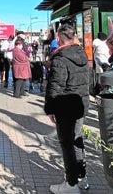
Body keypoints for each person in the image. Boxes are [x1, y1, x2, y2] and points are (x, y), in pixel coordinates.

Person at [44, 25, 91, 193]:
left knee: (67, 145)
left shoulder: (60, 58)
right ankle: (82, 177)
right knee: (77, 141)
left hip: (64, 107)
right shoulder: (82, 54)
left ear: (59, 38)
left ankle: (71, 184)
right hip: (79, 104)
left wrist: (49, 109)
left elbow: (55, 86)